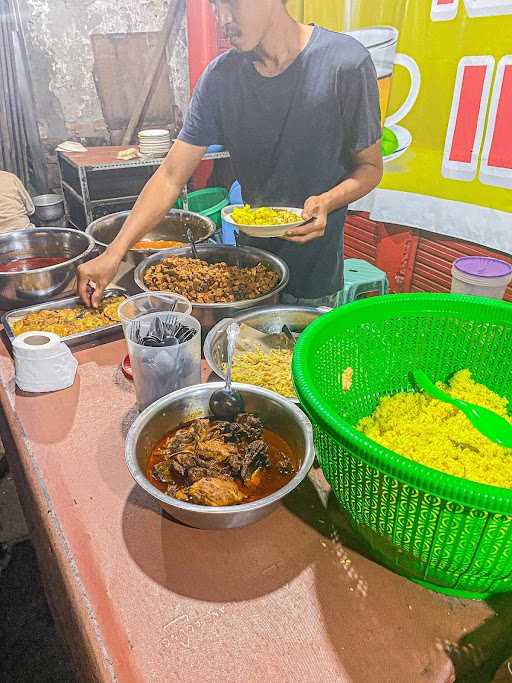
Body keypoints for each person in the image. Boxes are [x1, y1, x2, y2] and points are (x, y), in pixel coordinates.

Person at [77, 0, 383, 308]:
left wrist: (328, 201)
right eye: (214, 5)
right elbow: (170, 176)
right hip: (250, 268)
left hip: (315, 270)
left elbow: (369, 168)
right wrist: (113, 253)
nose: (222, 18)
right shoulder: (220, 78)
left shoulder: (345, 63)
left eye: (232, 4)